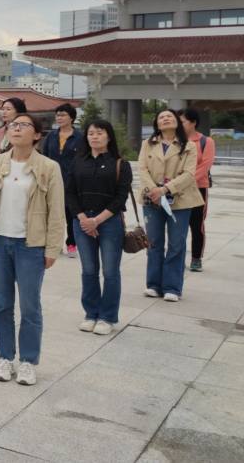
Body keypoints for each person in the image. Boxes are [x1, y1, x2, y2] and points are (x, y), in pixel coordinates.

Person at [0, 113, 65, 387]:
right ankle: (5, 357)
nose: (16, 128)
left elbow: (56, 211)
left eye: (23, 125)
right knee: (1, 305)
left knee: (30, 306)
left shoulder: (49, 167)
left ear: (37, 134)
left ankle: (28, 361)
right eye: (13, 125)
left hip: (30, 245)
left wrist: (52, 248)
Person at [67, 118, 132, 335]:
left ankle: (107, 317)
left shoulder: (120, 164)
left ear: (109, 136)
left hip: (109, 222)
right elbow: (69, 193)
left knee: (110, 271)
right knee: (89, 270)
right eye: (91, 133)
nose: (94, 136)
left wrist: (97, 220)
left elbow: (120, 198)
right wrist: (83, 218)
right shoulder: (77, 162)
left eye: (100, 132)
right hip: (82, 221)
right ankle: (91, 313)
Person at [138, 108, 202, 302]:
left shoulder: (189, 146)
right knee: (153, 242)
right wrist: (154, 190)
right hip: (152, 199)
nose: (165, 118)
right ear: (157, 124)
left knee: (176, 244)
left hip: (180, 200)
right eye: (161, 117)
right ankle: (153, 285)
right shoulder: (148, 144)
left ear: (177, 122)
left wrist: (165, 189)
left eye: (170, 116)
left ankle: (172, 287)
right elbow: (142, 169)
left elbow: (189, 174)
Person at [41, 103, 82, 258]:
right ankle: (54, 244)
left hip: (72, 182)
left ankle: (71, 244)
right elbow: (44, 157)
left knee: (71, 215)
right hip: (52, 181)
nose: (59, 118)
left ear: (71, 118)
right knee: (52, 215)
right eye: (57, 115)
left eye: (63, 115)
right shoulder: (51, 136)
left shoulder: (80, 137)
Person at [180, 108, 214, 272]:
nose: (179, 124)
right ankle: (177, 257)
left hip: (198, 188)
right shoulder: (176, 141)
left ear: (193, 122)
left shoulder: (206, 141)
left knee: (196, 224)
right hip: (176, 189)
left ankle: (196, 258)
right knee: (178, 225)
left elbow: (205, 166)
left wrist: (184, 181)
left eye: (183, 121)